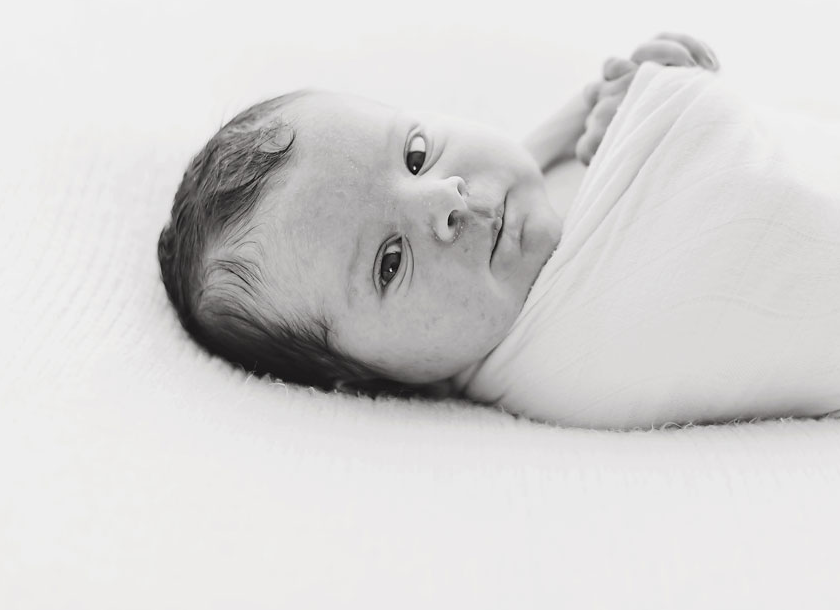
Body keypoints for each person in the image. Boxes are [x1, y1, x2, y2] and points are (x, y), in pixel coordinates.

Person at [157, 33, 717, 400]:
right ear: (372, 380)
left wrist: (658, 88)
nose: (445, 201)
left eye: (416, 155)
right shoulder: (546, 368)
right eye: (390, 263)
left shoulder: (520, 186)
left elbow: (615, 111)